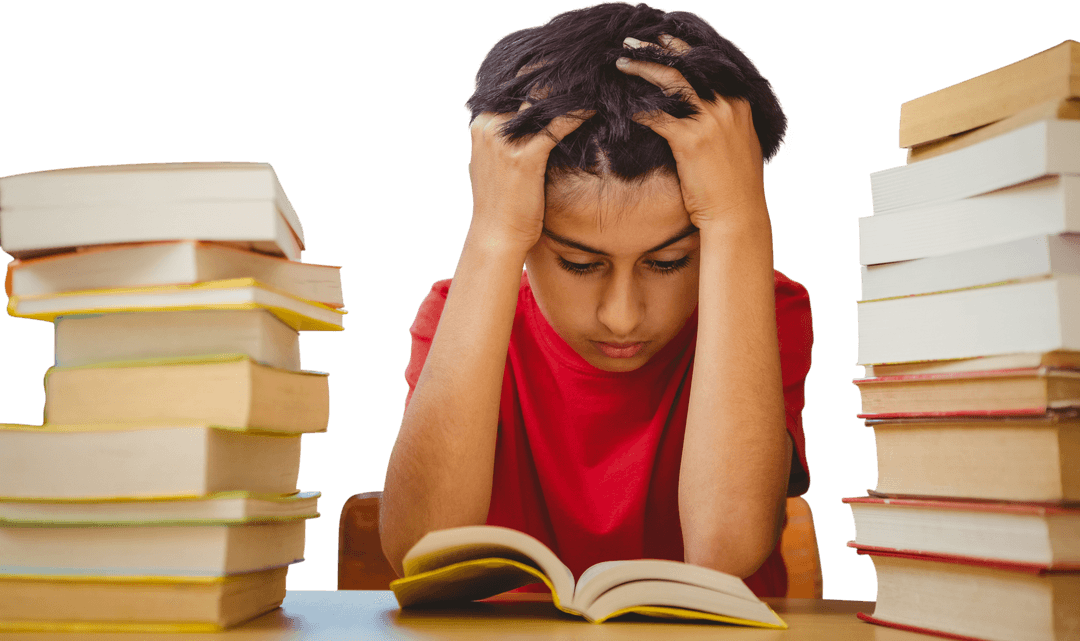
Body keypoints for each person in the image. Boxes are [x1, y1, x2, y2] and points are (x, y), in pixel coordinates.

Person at [380, 1, 813, 597]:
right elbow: (418, 551)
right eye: (580, 264)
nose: (622, 316)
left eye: (668, 262)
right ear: (529, 236)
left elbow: (724, 552)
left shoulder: (767, 307)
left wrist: (739, 219)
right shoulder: (463, 310)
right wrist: (492, 235)